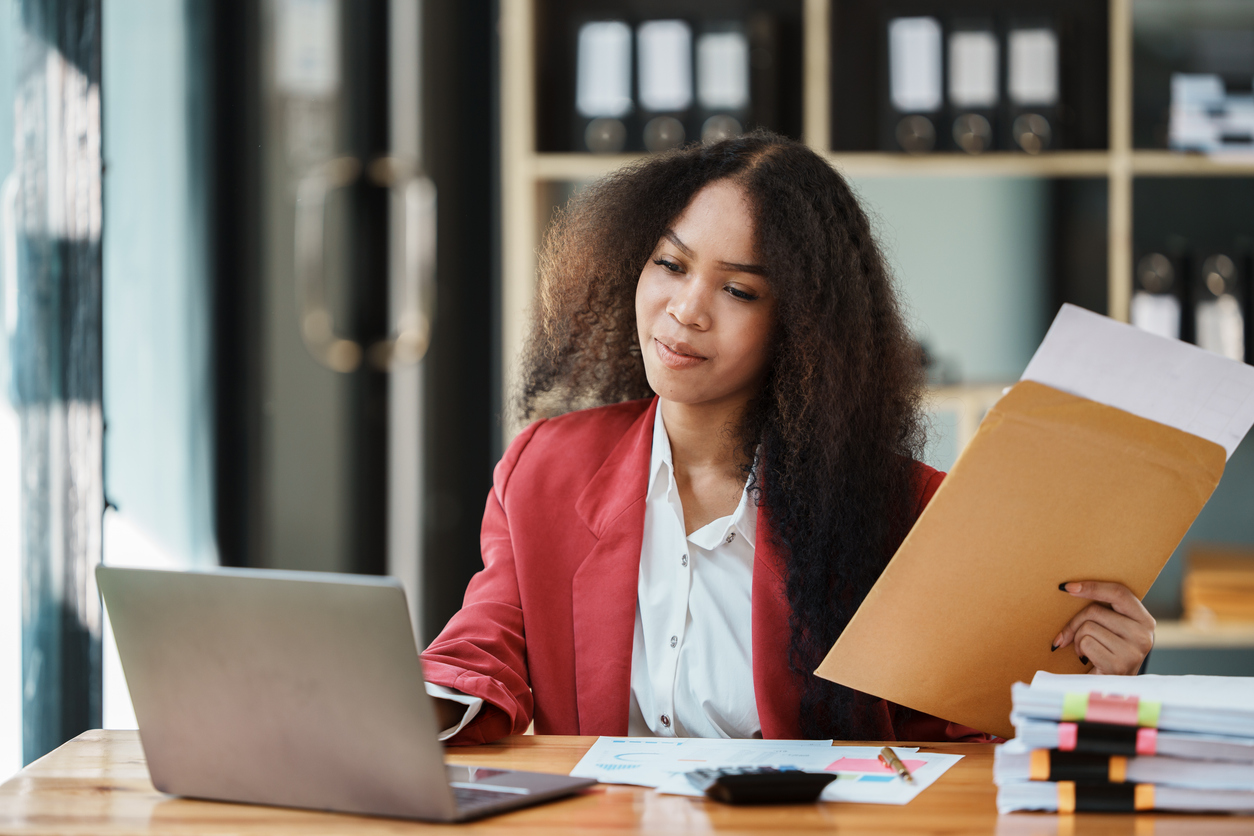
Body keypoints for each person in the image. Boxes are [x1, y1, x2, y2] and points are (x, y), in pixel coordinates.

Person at [420, 131, 1155, 745]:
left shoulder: (906, 510)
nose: (686, 309)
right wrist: (409, 703)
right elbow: (483, 649)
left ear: (801, 328)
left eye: (738, 290)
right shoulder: (545, 467)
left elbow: (966, 731)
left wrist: (1095, 682)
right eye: (670, 264)